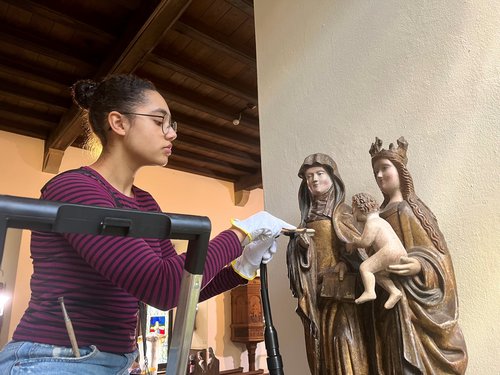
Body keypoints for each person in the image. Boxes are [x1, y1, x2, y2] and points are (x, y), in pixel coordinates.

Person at [0, 74, 294, 374]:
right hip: (54, 359)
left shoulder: (145, 203)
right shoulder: (74, 189)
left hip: (117, 362)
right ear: (119, 123)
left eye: (171, 124)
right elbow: (161, 286)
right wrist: (240, 233)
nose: (172, 134)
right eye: (159, 121)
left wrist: (242, 268)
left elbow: (176, 292)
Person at [366, 137, 468, 374]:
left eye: (384, 168)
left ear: (401, 172)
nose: (379, 176)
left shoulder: (411, 211)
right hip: (389, 305)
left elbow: (441, 257)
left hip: (414, 305)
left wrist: (420, 265)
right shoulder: (376, 217)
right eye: (375, 172)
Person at [286, 153, 369, 375]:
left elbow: (358, 249)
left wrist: (345, 263)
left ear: (333, 177)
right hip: (315, 294)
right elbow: (297, 259)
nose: (313, 179)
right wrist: (300, 246)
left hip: (340, 293)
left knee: (344, 339)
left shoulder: (343, 213)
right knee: (319, 346)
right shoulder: (305, 219)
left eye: (320, 173)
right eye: (309, 176)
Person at [349, 192, 407, 309]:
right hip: (400, 253)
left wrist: (354, 241)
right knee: (377, 274)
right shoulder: (381, 221)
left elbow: (365, 242)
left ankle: (369, 292)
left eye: (354, 210)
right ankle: (394, 292)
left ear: (362, 209)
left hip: (390, 251)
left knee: (365, 268)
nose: (352, 213)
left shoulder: (371, 223)